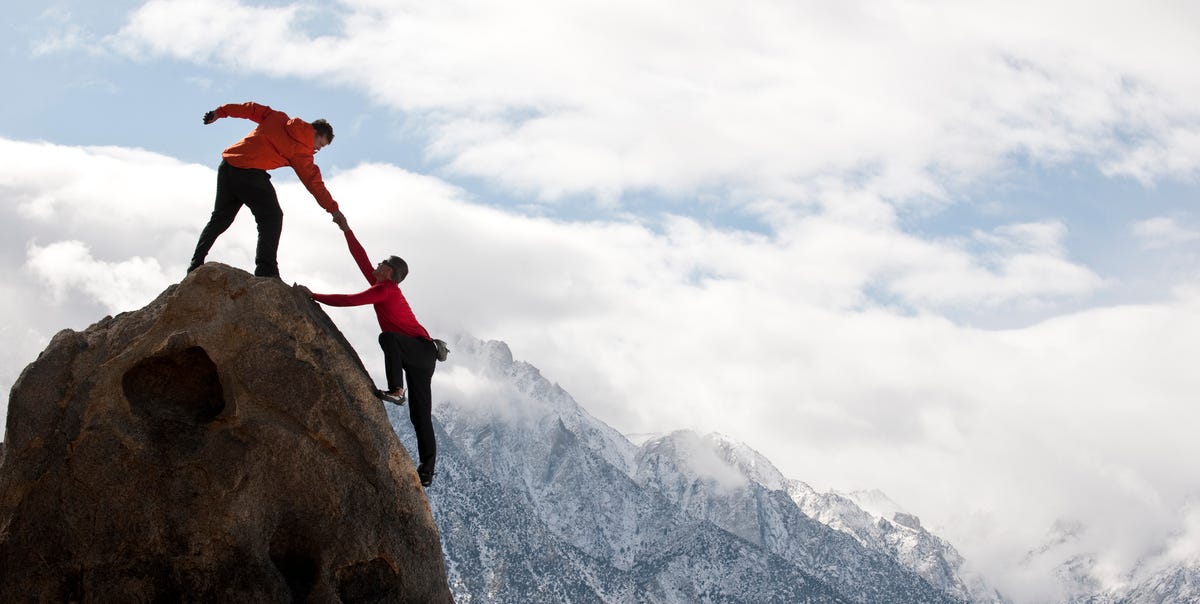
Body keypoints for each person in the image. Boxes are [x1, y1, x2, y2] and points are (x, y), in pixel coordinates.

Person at [299, 216, 439, 487]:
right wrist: (346, 229)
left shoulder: (386, 289)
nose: (376, 264)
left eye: (381, 263)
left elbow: (352, 300)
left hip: (419, 350)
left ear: (389, 271)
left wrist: (315, 296)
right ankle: (427, 470)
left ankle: (396, 389)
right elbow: (360, 257)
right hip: (424, 355)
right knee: (420, 415)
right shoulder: (382, 285)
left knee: (389, 339)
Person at [188, 102, 346, 278]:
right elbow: (314, 183)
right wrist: (333, 209)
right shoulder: (302, 152)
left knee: (220, 218)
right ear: (315, 133)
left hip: (228, 166)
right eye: (320, 144)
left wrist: (220, 112)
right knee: (272, 217)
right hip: (250, 175)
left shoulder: (278, 117)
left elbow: (250, 109)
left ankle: (195, 264)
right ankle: (266, 269)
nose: (317, 149)